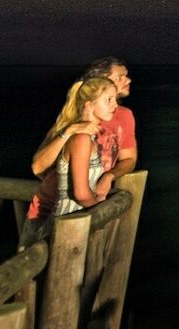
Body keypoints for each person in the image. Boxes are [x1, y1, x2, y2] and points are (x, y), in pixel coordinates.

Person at [27, 57, 140, 218]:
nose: (127, 80)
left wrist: (109, 176)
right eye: (119, 77)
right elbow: (38, 168)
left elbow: (129, 160)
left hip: (83, 210)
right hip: (52, 209)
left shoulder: (124, 116)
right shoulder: (73, 119)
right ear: (99, 80)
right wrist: (69, 131)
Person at [21, 75, 118, 245]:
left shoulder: (87, 137)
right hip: (65, 228)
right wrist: (102, 210)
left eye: (115, 99)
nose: (115, 105)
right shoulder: (81, 138)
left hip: (73, 224)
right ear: (89, 104)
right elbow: (80, 193)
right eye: (108, 99)